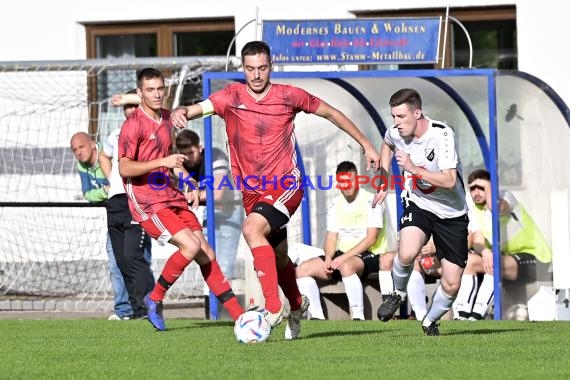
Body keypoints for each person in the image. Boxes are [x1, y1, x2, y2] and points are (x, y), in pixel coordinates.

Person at [170, 41, 381, 340]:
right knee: (278, 258)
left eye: (262, 68)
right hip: (252, 193)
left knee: (251, 229)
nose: (256, 75)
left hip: (286, 185)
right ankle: (297, 305)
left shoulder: (288, 96)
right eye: (250, 68)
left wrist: (367, 144)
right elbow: (200, 108)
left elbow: (332, 113)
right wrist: (183, 111)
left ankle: (272, 308)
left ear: (271, 66)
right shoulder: (231, 97)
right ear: (242, 68)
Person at [117, 67, 245, 331]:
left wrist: (188, 181)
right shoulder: (132, 126)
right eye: (150, 90)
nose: (156, 94)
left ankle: (239, 316)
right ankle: (154, 298)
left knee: (206, 252)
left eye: (160, 89)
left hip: (170, 195)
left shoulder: (165, 119)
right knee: (189, 246)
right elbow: (125, 168)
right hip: (146, 201)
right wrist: (163, 161)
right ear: (140, 93)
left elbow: (172, 161)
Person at [372, 88, 469, 336]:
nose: (396, 123)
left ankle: (430, 320)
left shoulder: (442, 135)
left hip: (452, 213)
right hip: (420, 204)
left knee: (452, 282)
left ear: (418, 113)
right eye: (393, 116)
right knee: (407, 252)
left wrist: (414, 169)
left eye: (401, 117)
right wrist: (384, 179)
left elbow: (448, 180)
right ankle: (397, 294)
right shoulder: (396, 133)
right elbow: (386, 142)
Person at [453, 169, 552, 320]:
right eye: (472, 188)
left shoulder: (505, 196)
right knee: (470, 261)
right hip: (504, 258)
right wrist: (485, 252)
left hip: (536, 258)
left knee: (495, 262)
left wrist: (490, 189)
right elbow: (477, 238)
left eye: (481, 187)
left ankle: (477, 314)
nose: (476, 192)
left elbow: (498, 208)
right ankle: (462, 314)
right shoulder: (475, 209)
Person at [295, 161, 389, 320]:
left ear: (358, 179)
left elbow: (371, 239)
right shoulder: (335, 203)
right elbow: (332, 236)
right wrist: (329, 258)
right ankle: (317, 317)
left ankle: (358, 317)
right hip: (341, 256)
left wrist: (341, 259)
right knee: (301, 270)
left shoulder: (372, 200)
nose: (346, 185)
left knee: (346, 266)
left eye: (350, 181)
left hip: (370, 254)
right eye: (342, 182)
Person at [99, 95, 156, 320]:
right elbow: (104, 156)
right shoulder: (115, 134)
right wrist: (112, 180)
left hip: (137, 199)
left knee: (134, 256)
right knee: (121, 260)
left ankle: (149, 308)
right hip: (116, 201)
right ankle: (134, 310)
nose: (131, 109)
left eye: (135, 104)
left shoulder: (151, 128)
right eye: (128, 106)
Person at [70, 131, 132, 320]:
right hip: (113, 217)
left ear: (93, 144)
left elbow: (121, 185)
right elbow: (88, 194)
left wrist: (110, 190)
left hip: (132, 212)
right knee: (114, 263)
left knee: (137, 260)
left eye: (81, 147)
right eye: (74, 150)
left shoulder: (109, 154)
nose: (79, 153)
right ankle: (123, 311)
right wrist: (106, 191)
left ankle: (145, 306)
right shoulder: (82, 165)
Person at [175, 129, 244, 280]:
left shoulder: (215, 156)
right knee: (209, 263)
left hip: (229, 210)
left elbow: (217, 193)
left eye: (191, 153)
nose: (188, 158)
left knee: (224, 266)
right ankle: (212, 302)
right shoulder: (180, 165)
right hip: (209, 212)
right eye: (184, 154)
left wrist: (193, 195)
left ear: (200, 148)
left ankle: (224, 303)